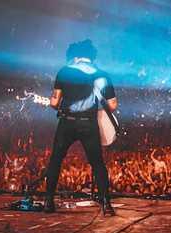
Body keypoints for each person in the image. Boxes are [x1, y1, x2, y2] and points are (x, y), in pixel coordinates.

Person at [44, 39, 117, 216]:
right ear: (91, 56)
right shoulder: (101, 74)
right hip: (88, 123)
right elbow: (112, 105)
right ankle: (106, 205)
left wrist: (59, 102)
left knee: (55, 160)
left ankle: (48, 202)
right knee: (97, 163)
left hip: (67, 122)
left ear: (75, 56)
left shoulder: (64, 72)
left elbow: (54, 102)